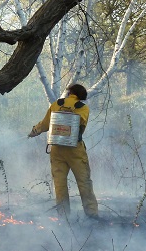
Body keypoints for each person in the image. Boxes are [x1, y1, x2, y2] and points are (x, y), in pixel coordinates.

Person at [28, 84, 99, 219]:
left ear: (69, 93)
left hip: (57, 149)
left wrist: (33, 132)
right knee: (84, 182)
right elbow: (81, 125)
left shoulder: (56, 104)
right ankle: (92, 215)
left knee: (60, 184)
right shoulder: (83, 108)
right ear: (81, 96)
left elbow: (44, 125)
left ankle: (64, 216)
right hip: (75, 150)